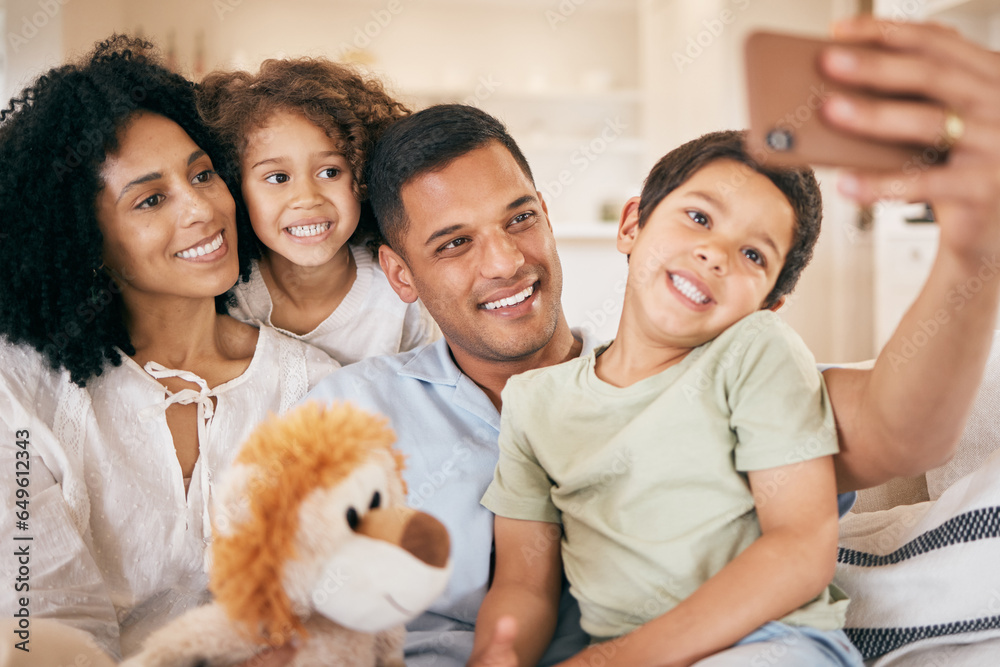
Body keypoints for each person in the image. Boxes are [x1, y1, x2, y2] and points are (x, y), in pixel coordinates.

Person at [304, 17, 1000, 667]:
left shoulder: (744, 358)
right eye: (454, 243)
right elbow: (521, 588)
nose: (505, 262)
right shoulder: (355, 411)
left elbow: (897, 430)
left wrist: (971, 253)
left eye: (518, 220)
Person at [0, 36, 337, 662]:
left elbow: (313, 615)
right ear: (83, 240)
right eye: (151, 199)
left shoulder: (311, 386)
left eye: (204, 174)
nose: (203, 209)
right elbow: (37, 624)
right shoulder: (18, 388)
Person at [475, 129, 864, 667]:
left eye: (753, 253)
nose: (714, 254)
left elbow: (800, 548)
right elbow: (523, 585)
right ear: (632, 224)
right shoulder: (534, 401)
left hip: (769, 642)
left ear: (769, 303)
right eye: (700, 218)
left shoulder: (755, 350)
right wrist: (498, 655)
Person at [196, 57, 439, 365]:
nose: (307, 198)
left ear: (363, 174)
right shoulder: (227, 297)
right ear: (236, 187)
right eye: (278, 178)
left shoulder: (400, 294)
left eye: (329, 172)